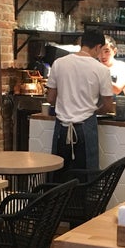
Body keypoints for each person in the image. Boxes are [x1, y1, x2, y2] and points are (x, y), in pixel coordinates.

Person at [46, 31, 114, 178]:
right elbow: (109, 106)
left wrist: (66, 102)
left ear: (81, 43)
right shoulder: (101, 70)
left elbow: (50, 98)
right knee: (86, 178)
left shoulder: (59, 63)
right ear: (98, 47)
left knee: (58, 176)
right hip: (85, 129)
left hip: (61, 129)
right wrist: (96, 110)